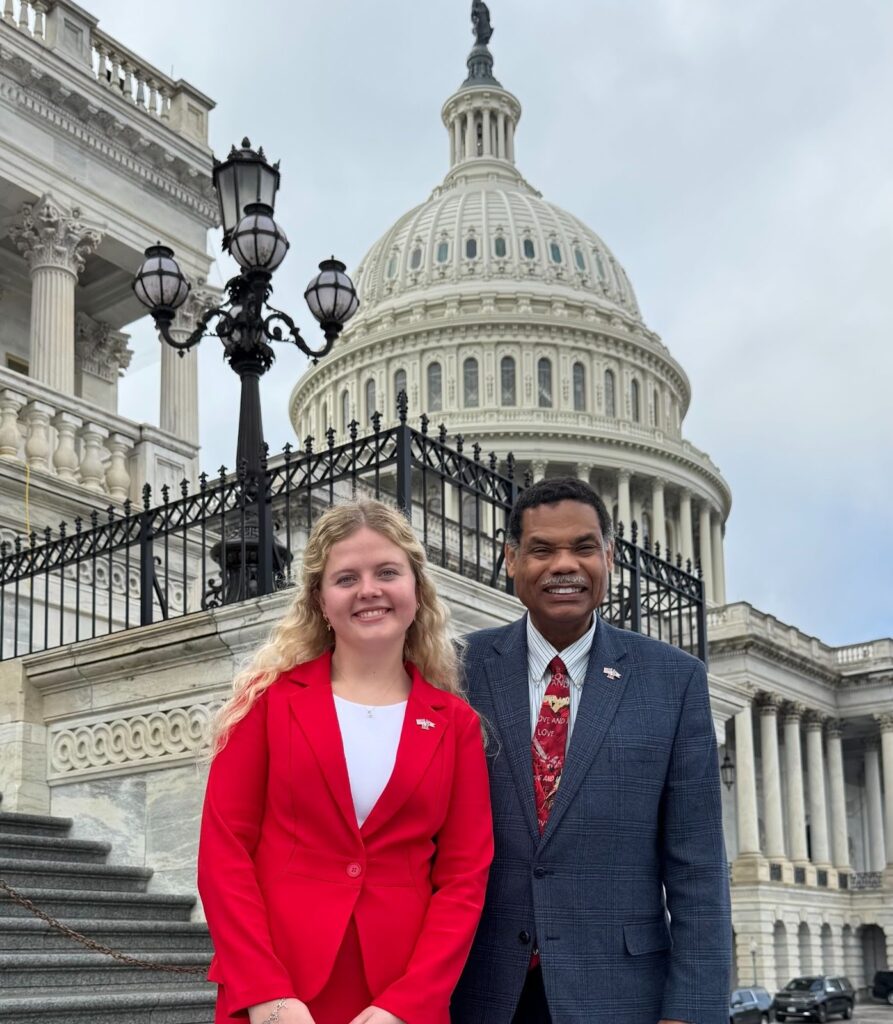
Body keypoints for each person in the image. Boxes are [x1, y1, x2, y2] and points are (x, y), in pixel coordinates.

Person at [198, 499, 494, 1024]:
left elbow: (463, 879)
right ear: (320, 599)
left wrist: (407, 1005)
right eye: (346, 578)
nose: (369, 590)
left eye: (386, 572)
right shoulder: (265, 704)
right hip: (277, 992)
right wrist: (268, 996)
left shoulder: (456, 725)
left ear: (416, 589)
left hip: (399, 996)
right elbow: (224, 856)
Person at [451, 477, 731, 1024]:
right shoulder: (458, 670)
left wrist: (691, 1012)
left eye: (582, 547)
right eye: (541, 549)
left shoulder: (673, 682)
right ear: (511, 559)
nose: (564, 565)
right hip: (479, 991)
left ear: (609, 556)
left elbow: (698, 871)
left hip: (620, 996)